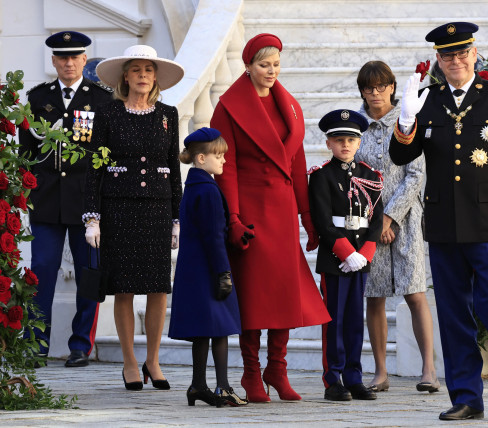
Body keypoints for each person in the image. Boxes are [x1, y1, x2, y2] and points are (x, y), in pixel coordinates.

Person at [389, 22, 488, 420]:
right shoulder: (428, 100)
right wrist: (406, 122)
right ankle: (466, 397)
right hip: (443, 222)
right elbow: (402, 158)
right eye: (447, 55)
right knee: (454, 312)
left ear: (474, 55)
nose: (455, 61)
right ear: (438, 60)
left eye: (461, 53)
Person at [210, 33, 331, 403]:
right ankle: (250, 373)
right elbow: (224, 166)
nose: (271, 71)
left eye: (276, 65)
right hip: (250, 211)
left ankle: (276, 369)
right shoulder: (228, 106)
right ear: (248, 66)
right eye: (264, 65)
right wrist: (232, 217)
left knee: (284, 293)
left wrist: (308, 218)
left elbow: (295, 165)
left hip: (281, 213)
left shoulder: (290, 105)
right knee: (254, 295)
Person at [83, 44, 184, 390]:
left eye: (149, 70)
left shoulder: (168, 114)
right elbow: (94, 167)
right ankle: (129, 362)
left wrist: (176, 218)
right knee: (123, 288)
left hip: (156, 208)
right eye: (136, 69)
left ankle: (152, 361)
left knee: (158, 289)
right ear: (125, 76)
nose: (143, 75)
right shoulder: (109, 114)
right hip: (119, 209)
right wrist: (92, 217)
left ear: (156, 77)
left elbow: (173, 169)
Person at [18, 31, 113, 368]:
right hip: (47, 201)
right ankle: (36, 344)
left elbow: (106, 154)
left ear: (85, 60)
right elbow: (26, 152)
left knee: (89, 270)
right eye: (62, 57)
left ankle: (80, 345)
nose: (69, 63)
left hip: (87, 203)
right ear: (54, 61)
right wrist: (26, 194)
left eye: (75, 57)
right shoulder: (37, 98)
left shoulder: (102, 100)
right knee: (41, 269)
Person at [353, 61, 438, 393]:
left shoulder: (406, 122)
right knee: (373, 296)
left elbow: (416, 176)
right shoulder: (355, 129)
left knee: (415, 293)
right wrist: (375, 222)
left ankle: (428, 369)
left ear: (391, 87)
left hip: (407, 221)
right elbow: (353, 178)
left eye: (381, 86)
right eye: (368, 88)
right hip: (369, 224)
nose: (375, 94)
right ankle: (381, 372)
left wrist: (390, 217)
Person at [168, 127, 247, 407]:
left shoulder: (192, 187)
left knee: (204, 329)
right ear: (201, 158)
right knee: (220, 329)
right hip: (209, 270)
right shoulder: (209, 190)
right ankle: (223, 387)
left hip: (192, 270)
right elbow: (214, 237)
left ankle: (198, 386)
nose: (223, 161)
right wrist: (223, 273)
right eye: (218, 156)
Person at [309, 109, 383, 401]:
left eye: (351, 140)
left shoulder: (370, 175)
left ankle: (354, 376)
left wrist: (365, 253)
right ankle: (333, 378)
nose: (345, 145)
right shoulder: (321, 177)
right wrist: (345, 252)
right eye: (339, 140)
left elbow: (375, 220)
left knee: (354, 320)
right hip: (335, 258)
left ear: (359, 141)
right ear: (328, 143)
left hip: (360, 261)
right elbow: (323, 220)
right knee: (335, 321)